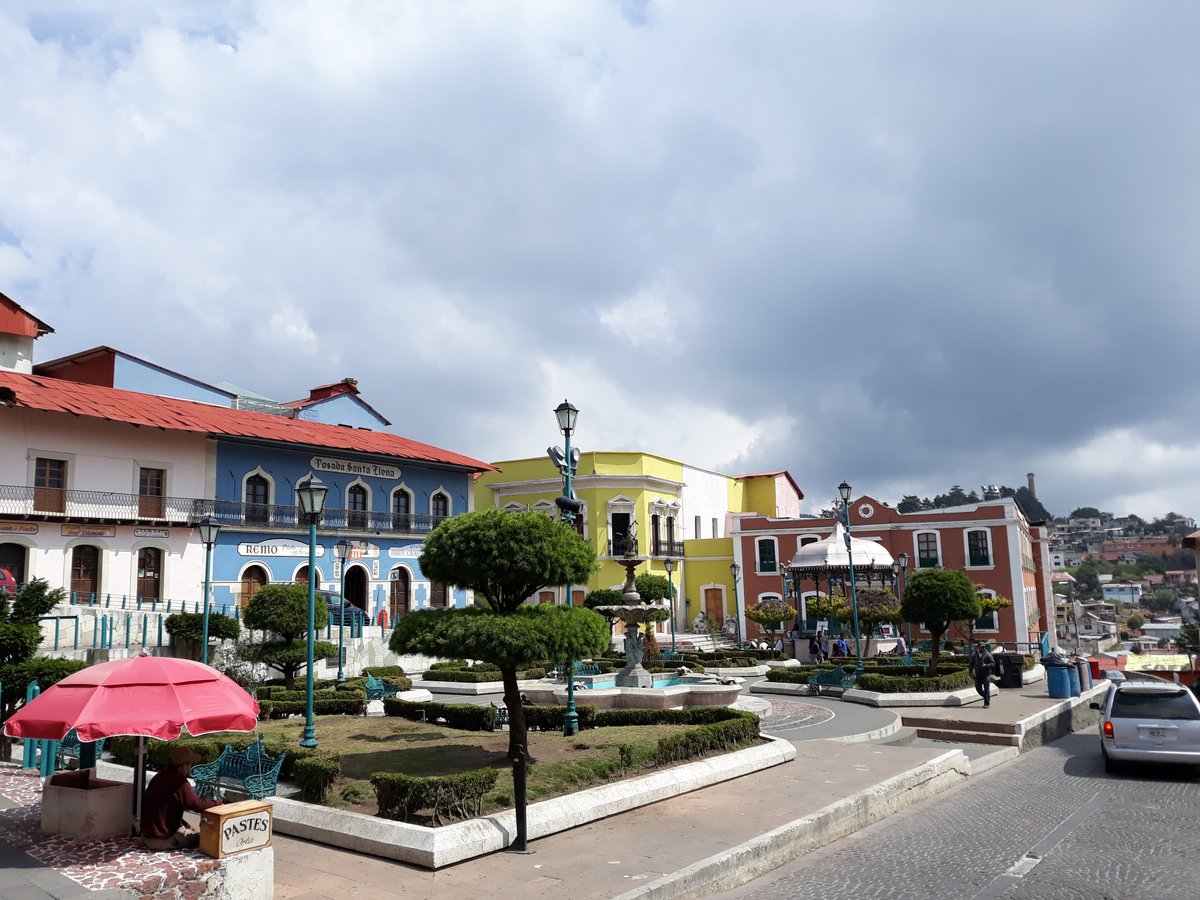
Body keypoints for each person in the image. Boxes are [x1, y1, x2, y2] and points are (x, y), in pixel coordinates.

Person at [140, 746, 221, 850]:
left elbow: (165, 809)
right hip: (161, 840)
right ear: (183, 765)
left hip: (147, 836)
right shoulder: (179, 781)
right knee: (202, 838)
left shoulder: (160, 776)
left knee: (189, 831)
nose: (190, 767)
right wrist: (218, 803)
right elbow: (198, 805)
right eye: (190, 764)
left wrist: (185, 824)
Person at [969, 642, 996, 708]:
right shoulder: (974, 654)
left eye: (983, 647)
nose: (983, 648)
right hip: (978, 674)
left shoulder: (988, 655)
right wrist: (970, 672)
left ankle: (986, 703)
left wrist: (986, 665)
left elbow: (993, 664)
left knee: (986, 688)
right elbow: (971, 663)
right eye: (981, 647)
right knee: (978, 688)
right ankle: (986, 696)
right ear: (978, 647)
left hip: (986, 674)